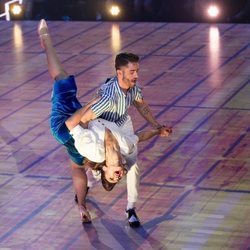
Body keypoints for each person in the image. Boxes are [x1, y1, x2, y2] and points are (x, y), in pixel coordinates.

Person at [38, 19, 172, 225]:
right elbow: (138, 137)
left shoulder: (93, 151)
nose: (118, 177)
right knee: (79, 165)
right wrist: (157, 130)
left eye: (112, 178)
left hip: (67, 127)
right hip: (90, 123)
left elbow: (74, 124)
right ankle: (82, 204)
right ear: (120, 73)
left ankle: (122, 206)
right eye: (132, 71)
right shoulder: (122, 142)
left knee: (62, 80)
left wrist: (88, 104)